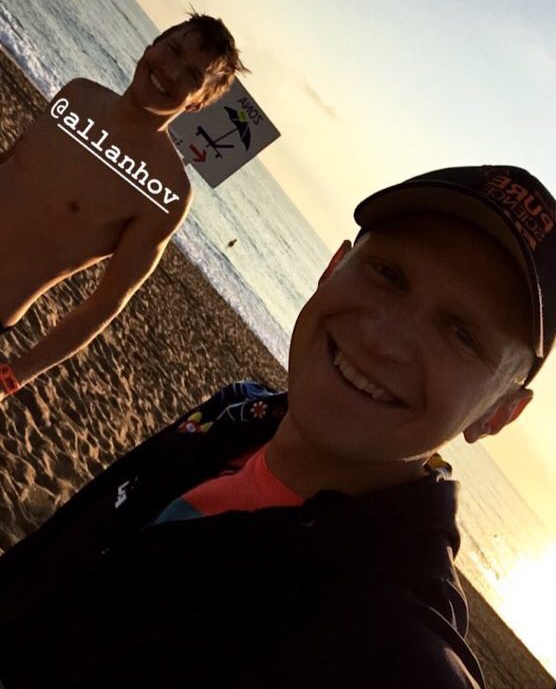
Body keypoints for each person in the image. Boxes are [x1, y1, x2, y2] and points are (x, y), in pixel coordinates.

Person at [0, 164, 554, 689]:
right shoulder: (236, 413)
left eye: (462, 335)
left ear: (500, 413)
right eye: (388, 274)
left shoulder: (389, 646)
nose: (384, 340)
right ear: (334, 267)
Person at [0, 12, 245, 402]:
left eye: (192, 77)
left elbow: (106, 303)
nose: (171, 72)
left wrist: (12, 378)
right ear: (152, 46)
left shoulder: (167, 190)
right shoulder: (77, 94)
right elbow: (13, 160)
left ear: (197, 103)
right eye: (173, 50)